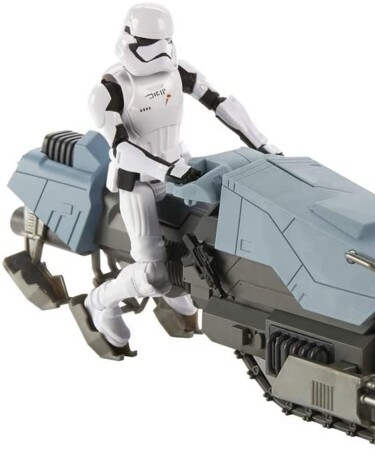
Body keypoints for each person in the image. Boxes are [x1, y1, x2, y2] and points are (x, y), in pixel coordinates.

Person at [85, 3, 281, 348]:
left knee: (202, 242)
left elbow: (220, 103)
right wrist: (167, 169)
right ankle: (99, 303)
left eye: (165, 41)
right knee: (152, 274)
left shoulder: (179, 72)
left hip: (181, 173)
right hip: (138, 183)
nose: (161, 51)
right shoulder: (111, 89)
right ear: (131, 40)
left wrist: (262, 144)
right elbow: (121, 148)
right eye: (151, 43)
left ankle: (176, 294)